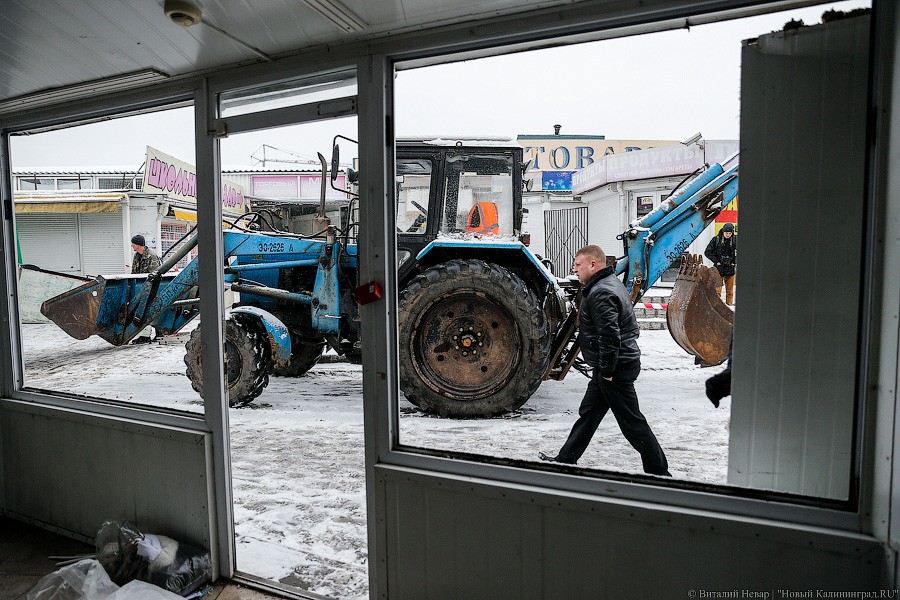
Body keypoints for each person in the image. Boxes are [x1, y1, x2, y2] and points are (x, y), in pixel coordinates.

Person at [540, 245, 670, 476]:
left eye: (578, 265)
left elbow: (610, 335)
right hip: (610, 365)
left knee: (632, 423)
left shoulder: (601, 292)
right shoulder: (608, 284)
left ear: (593, 265)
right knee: (589, 414)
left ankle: (659, 472)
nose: (574, 269)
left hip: (615, 367)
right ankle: (566, 459)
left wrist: (608, 370)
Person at [704, 222, 737, 305]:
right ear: (723, 231)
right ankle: (717, 307)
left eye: (730, 233)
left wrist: (733, 261)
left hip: (730, 269)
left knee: (730, 292)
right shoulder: (716, 239)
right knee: (716, 291)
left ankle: (729, 307)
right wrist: (717, 261)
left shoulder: (735, 240)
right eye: (726, 233)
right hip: (718, 269)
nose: (728, 235)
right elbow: (707, 252)